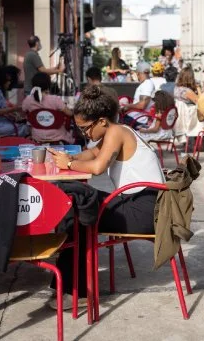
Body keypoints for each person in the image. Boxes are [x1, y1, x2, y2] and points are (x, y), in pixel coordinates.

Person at [46, 85, 164, 310]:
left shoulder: (117, 132)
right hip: (139, 203)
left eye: (86, 129)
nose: (85, 134)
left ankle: (75, 291)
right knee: (77, 201)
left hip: (145, 210)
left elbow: (98, 166)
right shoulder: (117, 130)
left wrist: (69, 164)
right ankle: (72, 285)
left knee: (78, 208)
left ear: (101, 121)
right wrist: (67, 158)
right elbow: (92, 153)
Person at [22, 72, 75, 144]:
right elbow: (70, 114)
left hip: (37, 137)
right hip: (57, 137)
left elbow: (24, 113)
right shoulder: (55, 99)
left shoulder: (28, 100)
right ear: (48, 85)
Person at [0, 67, 29, 138]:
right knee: (25, 128)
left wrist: (11, 114)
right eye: (8, 81)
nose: (9, 83)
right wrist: (15, 108)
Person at [122, 62, 155, 127]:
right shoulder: (146, 83)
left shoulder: (147, 84)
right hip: (136, 117)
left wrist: (128, 106)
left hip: (138, 120)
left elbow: (142, 105)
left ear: (138, 73)